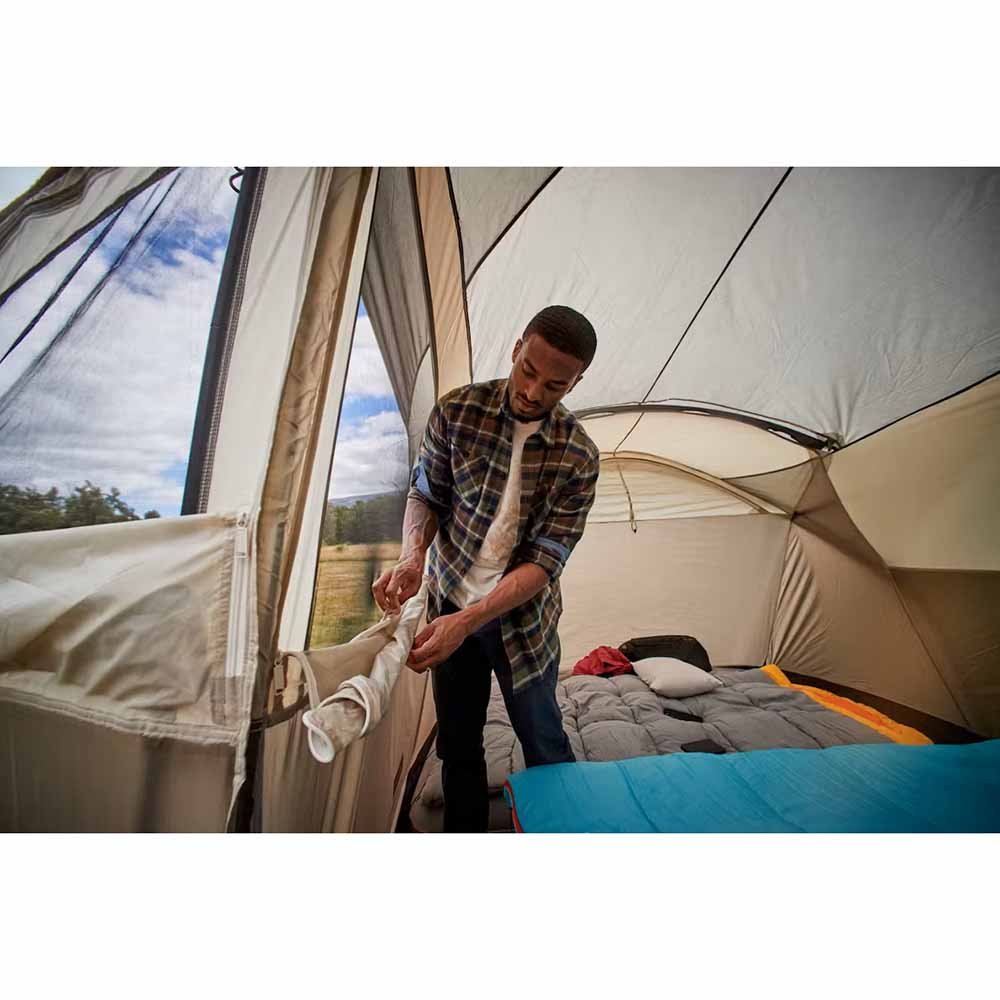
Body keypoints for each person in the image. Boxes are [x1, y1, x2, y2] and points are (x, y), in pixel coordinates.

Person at [372, 304, 600, 832]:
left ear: (576, 382)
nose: (533, 392)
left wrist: (470, 620)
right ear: (516, 348)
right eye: (528, 371)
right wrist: (412, 556)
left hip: (524, 623)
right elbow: (426, 495)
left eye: (555, 386)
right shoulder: (457, 412)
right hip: (448, 602)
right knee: (457, 746)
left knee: (544, 741)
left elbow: (545, 560)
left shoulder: (579, 456)